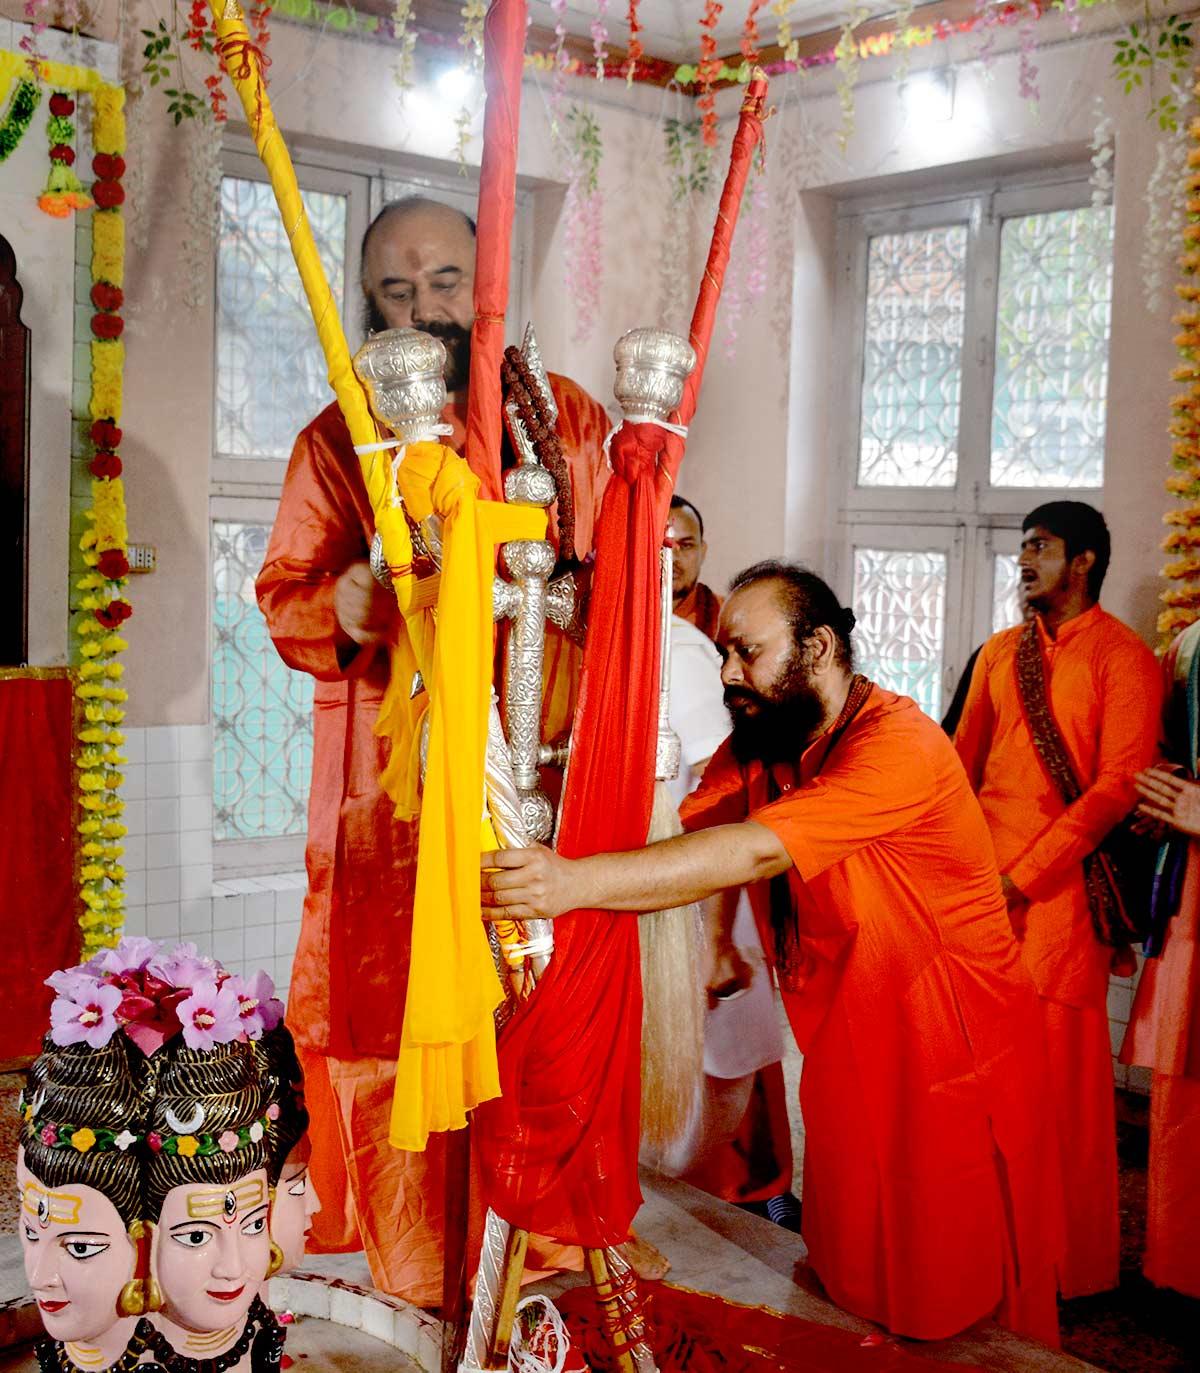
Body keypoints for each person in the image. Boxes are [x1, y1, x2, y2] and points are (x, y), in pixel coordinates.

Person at [482, 561, 1062, 1345]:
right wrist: (539, 831)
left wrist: (572, 882)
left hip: (946, 1046)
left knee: (948, 1299)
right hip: (850, 1039)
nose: (728, 674)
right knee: (855, 1266)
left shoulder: (898, 745)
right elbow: (680, 826)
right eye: (724, 653)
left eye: (746, 653)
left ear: (818, 645)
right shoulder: (772, 739)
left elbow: (749, 853)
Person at [255, 196, 612, 1305]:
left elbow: (613, 582)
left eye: (447, 282)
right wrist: (349, 599)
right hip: (392, 800)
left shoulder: (569, 422)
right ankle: (421, 1278)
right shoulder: (339, 438)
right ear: (368, 308)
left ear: (491, 281)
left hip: (535, 774)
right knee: (393, 1022)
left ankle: (539, 1258)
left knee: (536, 1006)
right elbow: (285, 598)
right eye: (397, 294)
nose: (426, 310)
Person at [954, 500, 1161, 1299]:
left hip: (1059, 901)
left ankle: (1068, 1267)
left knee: (1061, 1091)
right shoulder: (1001, 652)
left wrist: (1026, 877)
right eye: (1022, 548)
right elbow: (960, 766)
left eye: (1039, 547)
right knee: (979, 1080)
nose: (1024, 561)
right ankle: (990, 1248)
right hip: (981, 891)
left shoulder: (1123, 658)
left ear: (1084, 561)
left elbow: (1115, 789)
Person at [659, 612, 798, 1227]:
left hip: (696, 891)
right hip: (644, 890)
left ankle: (757, 1195)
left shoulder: (679, 649)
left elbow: (723, 793)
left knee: (719, 1068)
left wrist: (715, 936)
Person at [1122, 618, 1200, 1299]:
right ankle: (1179, 1271)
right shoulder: (1192, 645)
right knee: (1184, 1083)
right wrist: (1165, 788)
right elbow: (1167, 745)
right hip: (1193, 892)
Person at [670, 496, 722, 640]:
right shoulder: (619, 615)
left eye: (686, 545)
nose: (672, 558)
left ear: (703, 551)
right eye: (661, 546)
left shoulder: (724, 616)